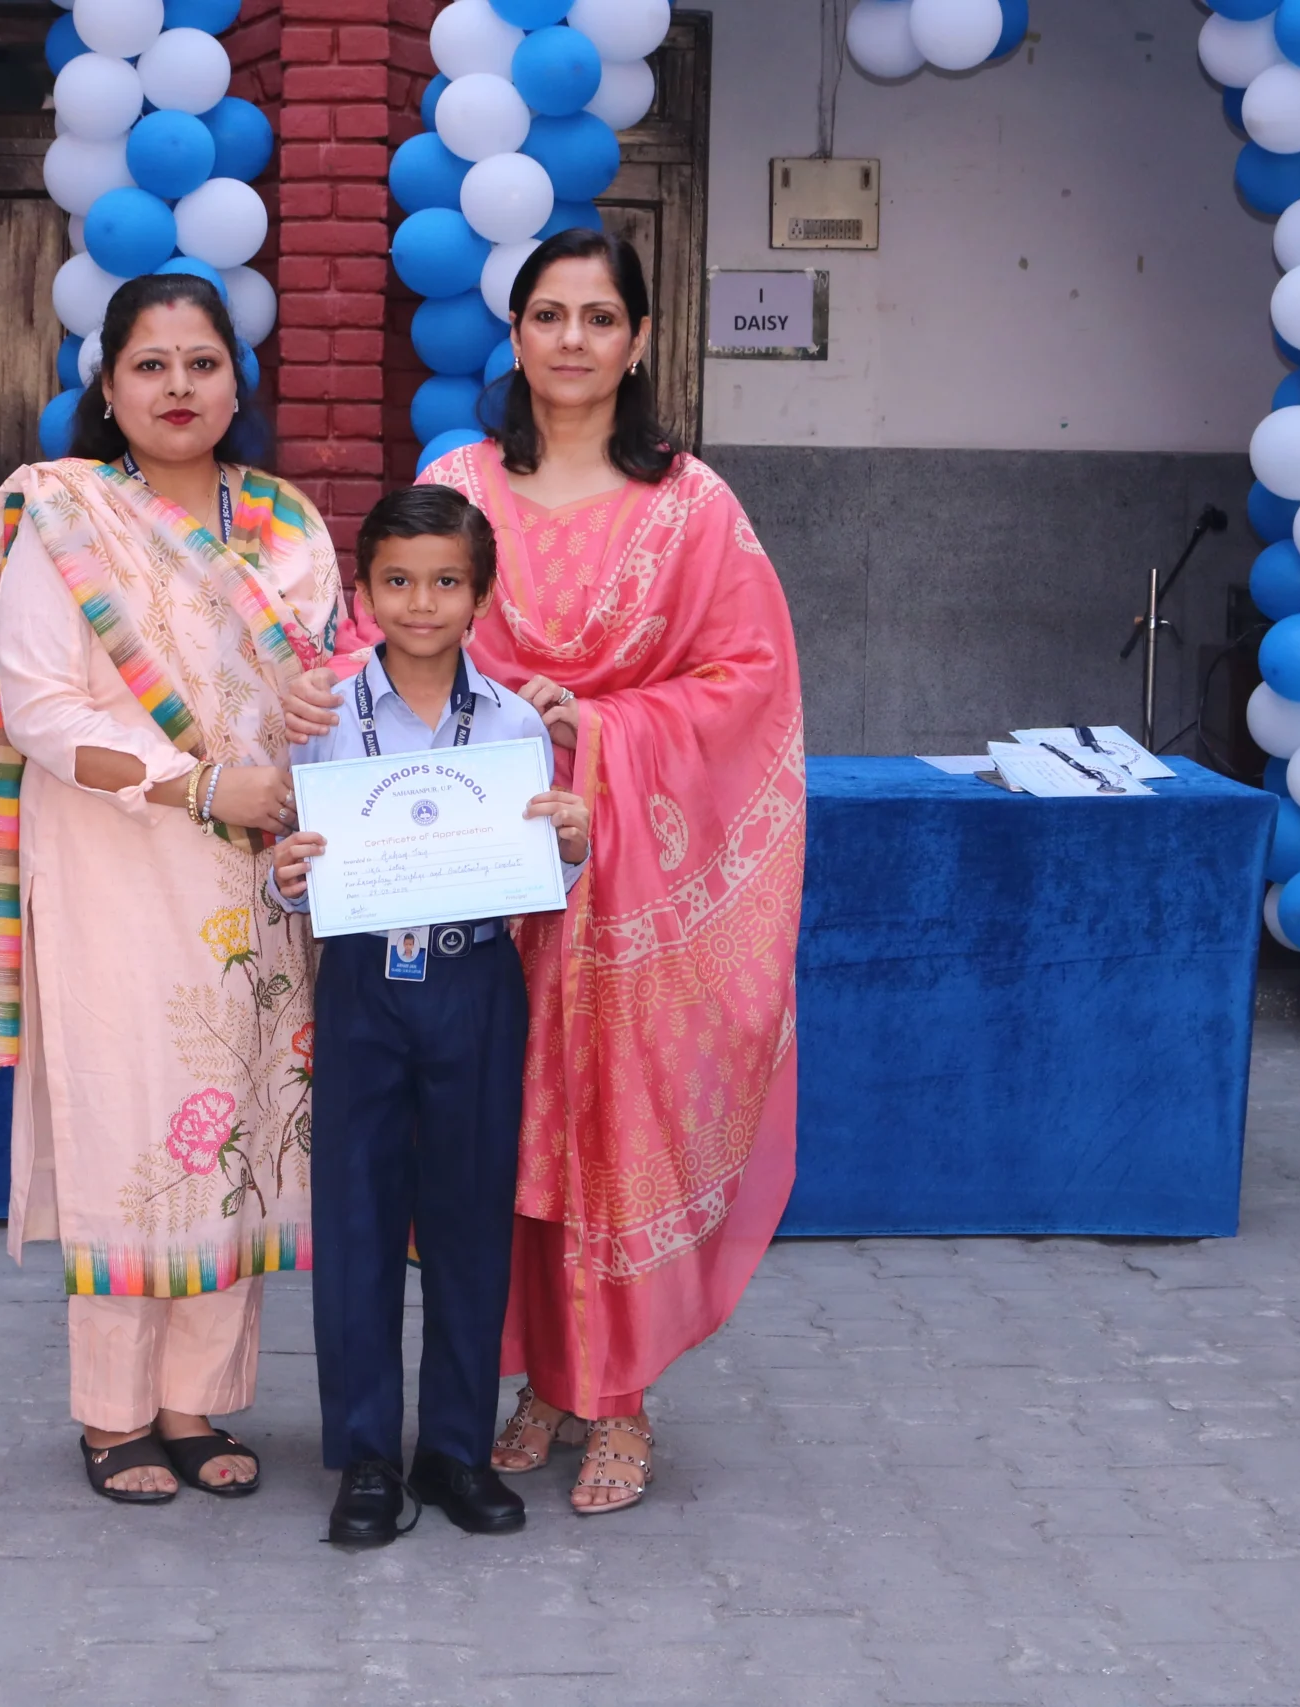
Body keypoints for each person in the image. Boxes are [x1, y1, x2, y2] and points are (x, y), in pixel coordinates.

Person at [289, 228, 807, 1514]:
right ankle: (532, 1384)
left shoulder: (692, 505)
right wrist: (317, 701)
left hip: (622, 879)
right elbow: (377, 633)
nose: (573, 340)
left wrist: (605, 729)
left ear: (637, 341)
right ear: (514, 336)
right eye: (548, 316)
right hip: (460, 883)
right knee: (494, 1153)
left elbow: (750, 678)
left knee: (613, 1122)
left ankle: (617, 1394)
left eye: (599, 317)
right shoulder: (460, 478)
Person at [0, 273, 342, 1505]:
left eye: (202, 363)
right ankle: (114, 1415)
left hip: (257, 871)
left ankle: (194, 1404)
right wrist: (198, 783)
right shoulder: (64, 515)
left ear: (237, 380)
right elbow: (40, 709)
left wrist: (311, 736)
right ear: (106, 389)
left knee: (242, 1122)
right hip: (115, 861)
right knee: (132, 1122)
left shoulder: (286, 527)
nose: (179, 387)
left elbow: (325, 688)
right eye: (150, 366)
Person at [269, 485, 592, 1548]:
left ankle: (454, 1450)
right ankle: (366, 1457)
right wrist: (285, 876)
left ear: (481, 595)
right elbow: (292, 862)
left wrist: (569, 844)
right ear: (364, 593)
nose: (422, 603)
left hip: (474, 984)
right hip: (363, 982)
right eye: (398, 581)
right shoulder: (323, 713)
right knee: (356, 1222)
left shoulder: (511, 722)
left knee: (468, 1219)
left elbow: (534, 871)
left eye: (447, 582)